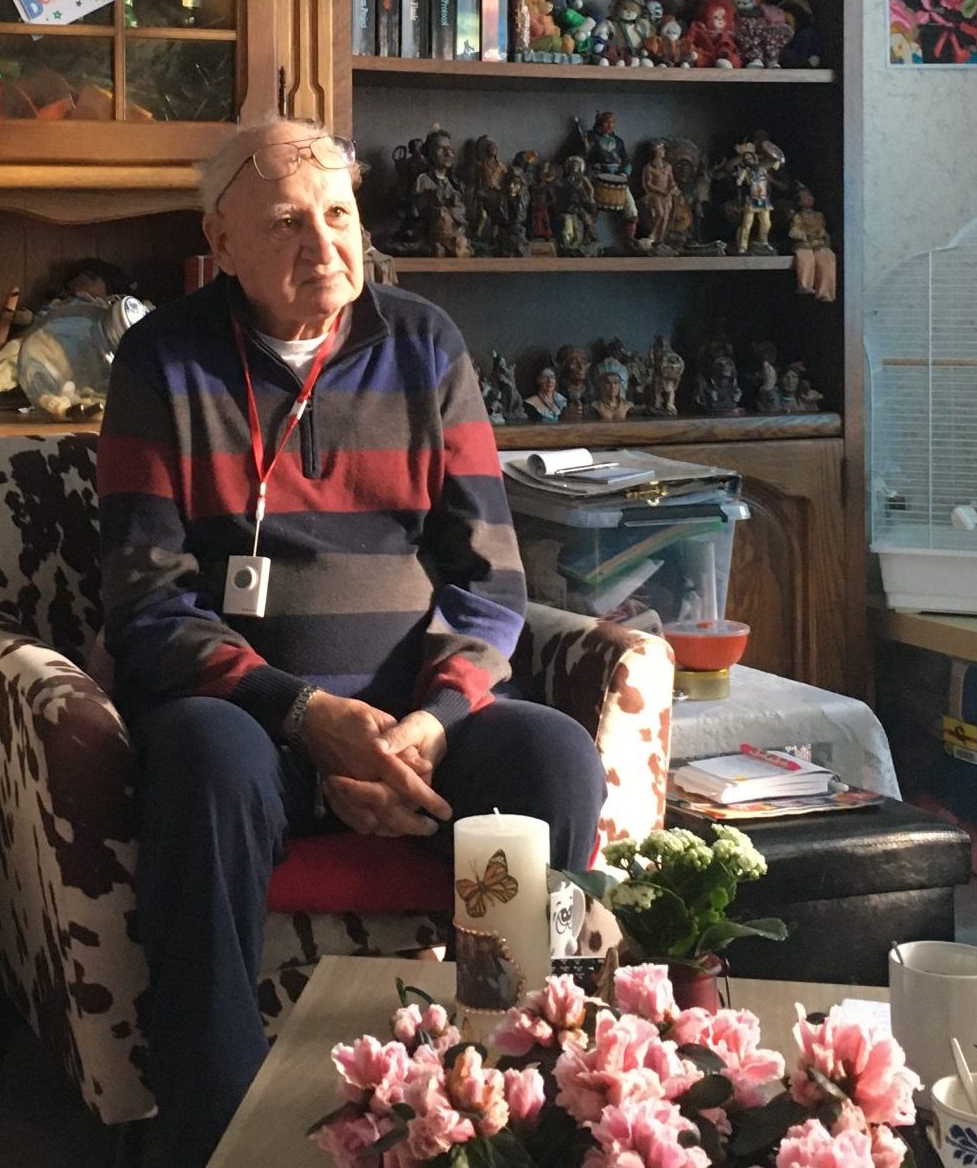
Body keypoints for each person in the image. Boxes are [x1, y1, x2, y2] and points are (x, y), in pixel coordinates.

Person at [96, 116, 606, 1168]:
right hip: (252, 726)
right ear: (220, 239)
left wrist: (430, 722)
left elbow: (489, 580)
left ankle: (496, 1085)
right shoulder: (163, 360)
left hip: (415, 729)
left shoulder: (423, 343)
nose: (323, 245)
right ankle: (218, 1127)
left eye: (338, 214)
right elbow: (147, 605)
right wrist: (307, 715)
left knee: (549, 755)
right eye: (286, 222)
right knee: (202, 759)